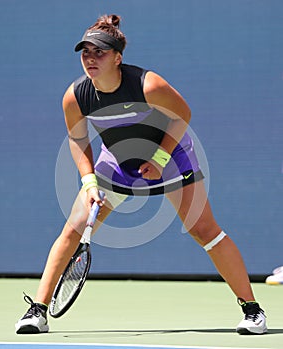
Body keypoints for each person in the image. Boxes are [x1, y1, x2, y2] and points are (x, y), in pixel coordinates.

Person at [15, 14, 267, 335]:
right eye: (85, 52)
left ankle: (252, 310)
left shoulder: (149, 85)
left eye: (100, 52)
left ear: (118, 58)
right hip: (116, 164)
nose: (90, 59)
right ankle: (37, 310)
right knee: (72, 231)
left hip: (171, 156)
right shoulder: (76, 96)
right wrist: (89, 181)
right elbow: (78, 141)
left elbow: (182, 116)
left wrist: (160, 159)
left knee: (204, 231)